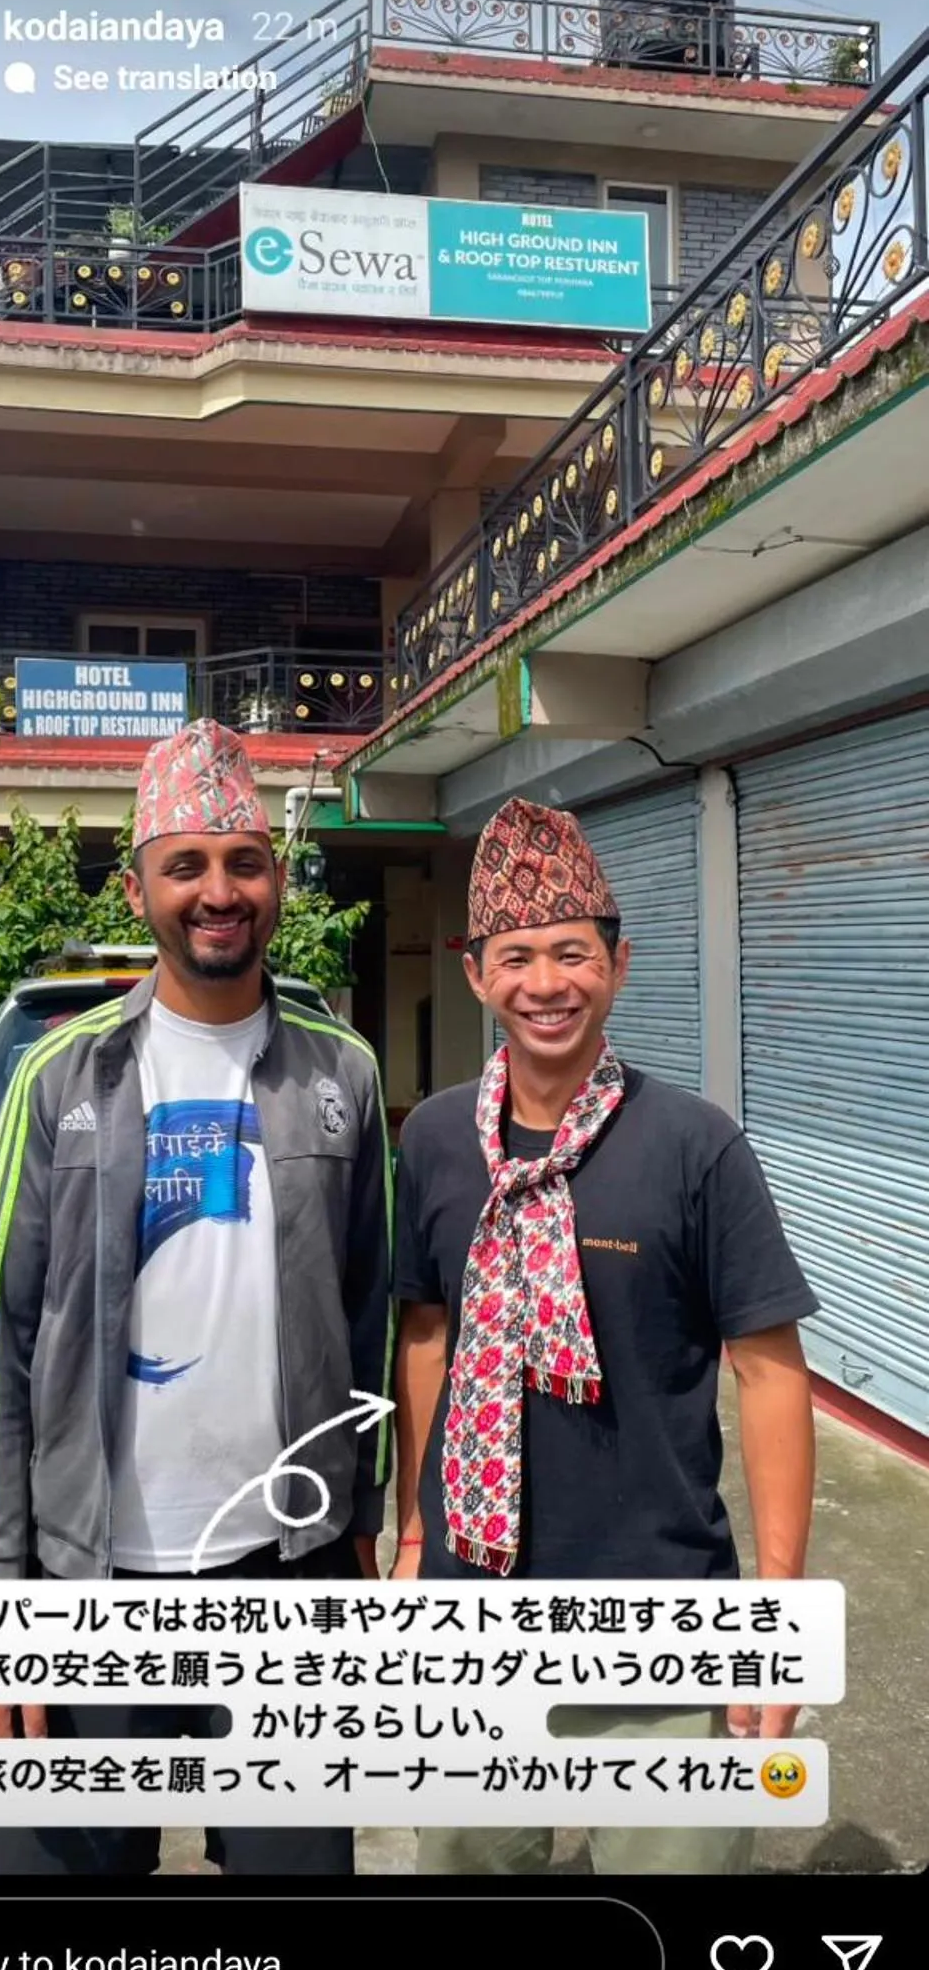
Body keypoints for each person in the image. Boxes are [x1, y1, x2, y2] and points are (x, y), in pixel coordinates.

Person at [0, 718, 392, 1877]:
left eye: (244, 862)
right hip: (84, 1579)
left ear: (277, 880)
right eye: (185, 865)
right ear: (138, 888)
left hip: (286, 1574)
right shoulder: (60, 1076)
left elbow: (370, 1317)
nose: (218, 891)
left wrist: (361, 1518)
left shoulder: (343, 1072)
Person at [391, 794, 818, 1877]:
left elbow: (770, 1373)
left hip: (658, 1609)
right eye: (517, 956)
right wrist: (412, 1541)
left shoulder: (694, 1145)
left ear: (617, 966)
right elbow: (428, 1338)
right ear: (477, 973)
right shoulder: (435, 1140)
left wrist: (777, 1616)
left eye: (573, 953)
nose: (547, 983)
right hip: (474, 1613)